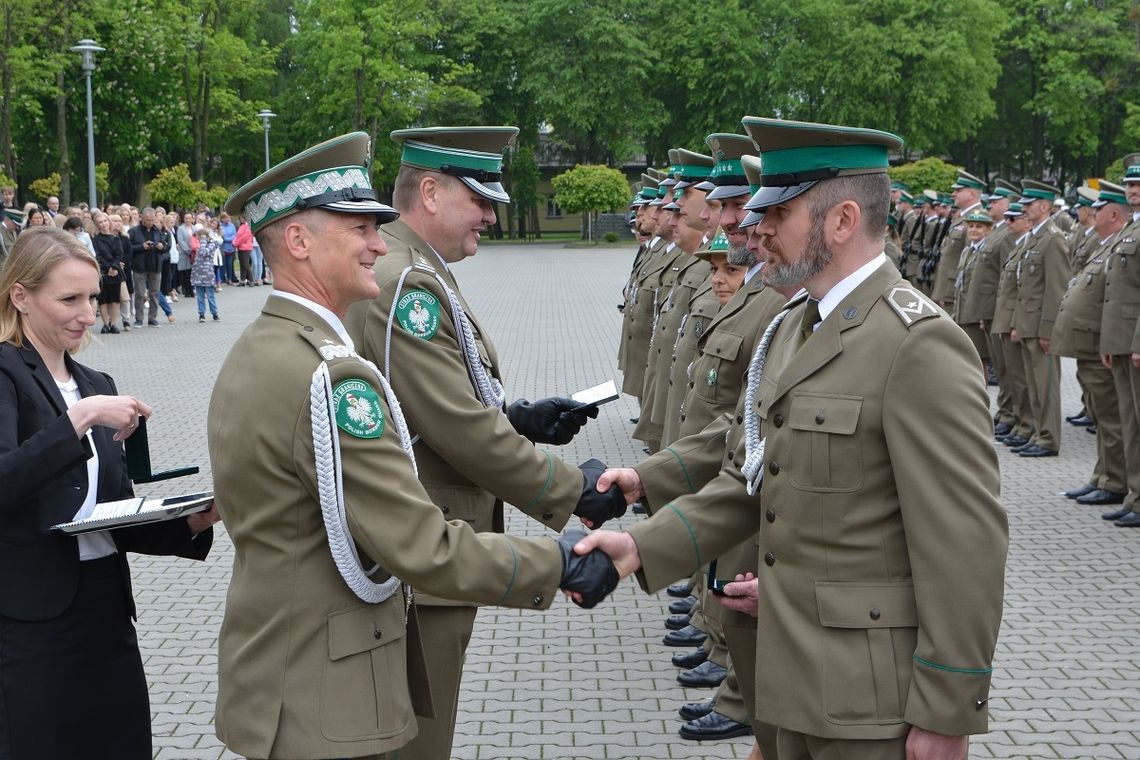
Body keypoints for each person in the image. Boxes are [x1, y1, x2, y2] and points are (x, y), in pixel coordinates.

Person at [578, 116, 1009, 760]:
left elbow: (964, 542)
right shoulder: (793, 327)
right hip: (790, 683)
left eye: (778, 212)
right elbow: (754, 481)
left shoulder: (917, 344)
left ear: (840, 221)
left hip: (871, 704)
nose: (759, 228)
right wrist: (637, 546)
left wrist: (948, 711)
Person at [208, 132, 617, 760]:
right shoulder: (332, 377)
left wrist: (516, 420)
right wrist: (558, 561)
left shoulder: (258, 349)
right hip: (333, 691)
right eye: (360, 228)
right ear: (298, 242)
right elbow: (419, 543)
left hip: (279, 673)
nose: (379, 242)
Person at [343, 125, 623, 760]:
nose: (492, 217)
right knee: (418, 737)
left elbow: (436, 405)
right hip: (421, 548)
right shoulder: (404, 282)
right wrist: (573, 491)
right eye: (481, 200)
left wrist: (519, 418)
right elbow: (460, 430)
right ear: (433, 192)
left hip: (427, 541)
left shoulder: (413, 268)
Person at [0, 226, 219, 758]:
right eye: (69, 299)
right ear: (21, 297)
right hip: (32, 618)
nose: (87, 314)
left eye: (93, 298)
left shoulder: (95, 381)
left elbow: (110, 510)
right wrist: (80, 418)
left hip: (105, 608)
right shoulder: (7, 372)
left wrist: (194, 520)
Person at [92, 212, 126, 334]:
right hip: (103, 272)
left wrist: (114, 267)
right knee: (103, 299)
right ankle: (105, 323)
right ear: (97, 225)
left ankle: (114, 323)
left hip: (116, 272)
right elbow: (98, 256)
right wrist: (107, 268)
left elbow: (119, 255)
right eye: (100, 222)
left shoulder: (116, 238)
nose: (103, 224)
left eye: (105, 221)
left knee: (115, 299)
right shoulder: (96, 239)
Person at [190, 224, 220, 322]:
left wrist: (203, 241)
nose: (198, 239)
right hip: (198, 275)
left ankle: (215, 313)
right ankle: (201, 314)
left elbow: (203, 253)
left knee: (210, 295)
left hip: (207, 275)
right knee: (200, 297)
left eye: (199, 237)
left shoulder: (211, 245)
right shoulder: (201, 245)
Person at [233, 215, 255, 286]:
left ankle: (251, 280)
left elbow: (244, 237)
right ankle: (242, 280)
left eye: (242, 218)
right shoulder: (241, 226)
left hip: (246, 247)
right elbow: (237, 236)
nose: (241, 219)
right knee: (241, 264)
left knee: (246, 264)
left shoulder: (248, 226)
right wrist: (235, 242)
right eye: (240, 218)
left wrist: (235, 243)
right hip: (240, 247)